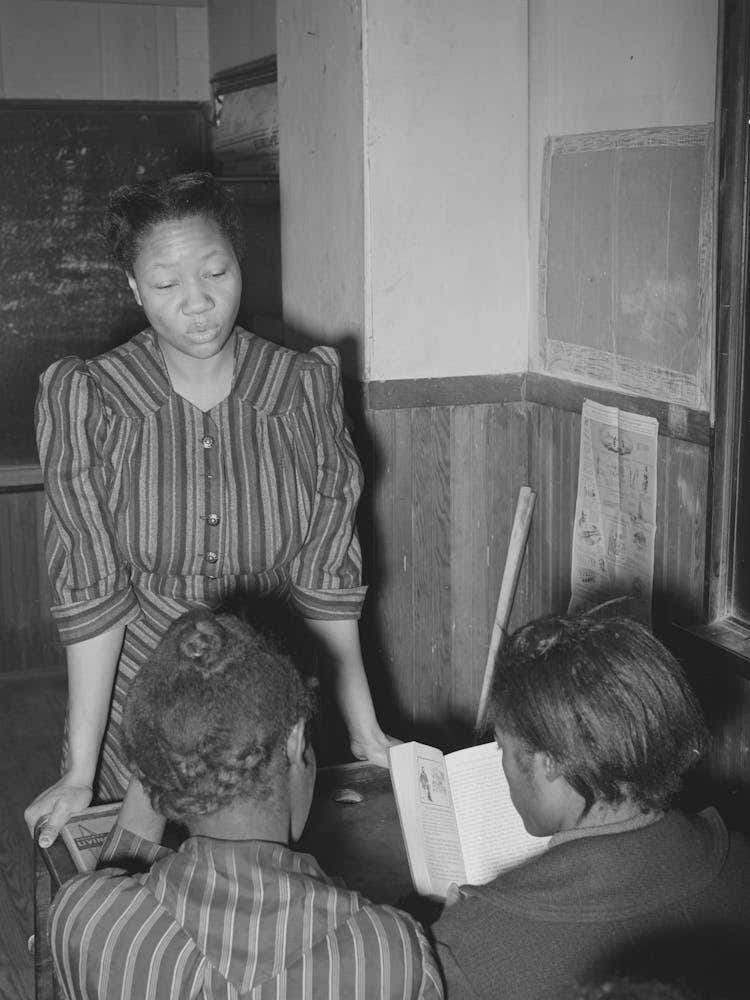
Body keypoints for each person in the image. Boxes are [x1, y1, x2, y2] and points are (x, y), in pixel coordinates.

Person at [25, 172, 394, 849]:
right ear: (134, 289)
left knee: (272, 904)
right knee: (134, 910)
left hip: (269, 713)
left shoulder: (302, 388)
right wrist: (80, 771)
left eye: (216, 273)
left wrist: (365, 727)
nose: (198, 305)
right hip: (141, 712)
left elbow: (326, 584)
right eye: (166, 286)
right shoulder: (90, 399)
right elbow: (93, 601)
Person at [49, 608, 443, 999]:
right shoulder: (392, 954)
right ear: (295, 739)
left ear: (155, 766)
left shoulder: (83, 919)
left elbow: (113, 882)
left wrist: (165, 747)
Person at [431, 611, 750, 1000]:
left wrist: (453, 938)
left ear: (549, 763)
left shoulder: (469, 945)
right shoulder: (739, 859)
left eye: (503, 747)